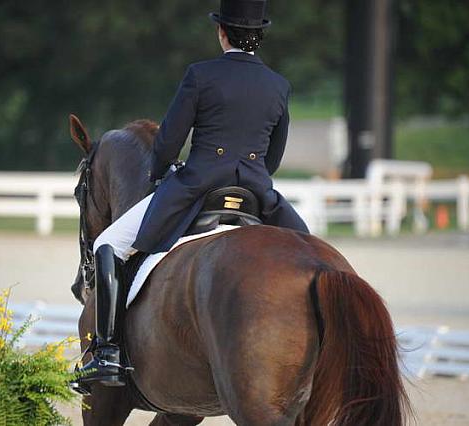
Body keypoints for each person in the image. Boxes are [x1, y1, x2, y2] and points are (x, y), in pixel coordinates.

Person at [77, 0, 310, 387]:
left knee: (108, 244)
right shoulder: (279, 85)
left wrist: (159, 173)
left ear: (222, 32)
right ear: (259, 36)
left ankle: (107, 354)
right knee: (306, 250)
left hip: (197, 189)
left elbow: (167, 143)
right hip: (255, 194)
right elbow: (274, 156)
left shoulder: (200, 75)